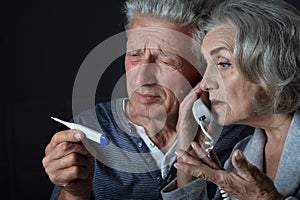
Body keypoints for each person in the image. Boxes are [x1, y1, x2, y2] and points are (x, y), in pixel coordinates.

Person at [42, 0, 254, 199]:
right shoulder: (90, 128)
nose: (142, 78)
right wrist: (74, 192)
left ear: (203, 66)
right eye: (134, 54)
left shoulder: (238, 136)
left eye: (166, 58)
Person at [170, 0, 300, 199]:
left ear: (271, 65)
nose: (205, 84)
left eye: (222, 64)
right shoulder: (240, 155)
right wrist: (187, 156)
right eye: (207, 67)